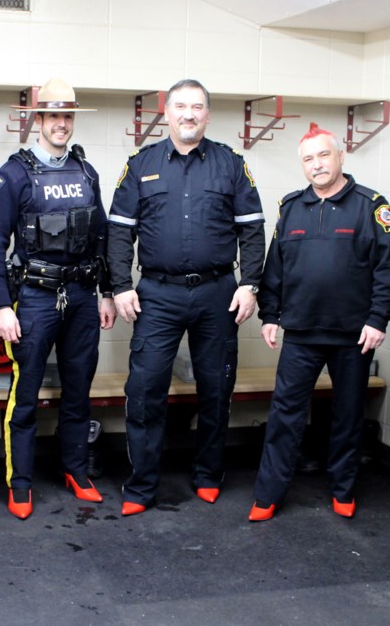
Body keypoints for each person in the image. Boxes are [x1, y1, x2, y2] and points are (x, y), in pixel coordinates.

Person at [106, 79, 265, 516]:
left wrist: (251, 284)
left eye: (197, 107)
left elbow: (252, 228)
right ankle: (141, 487)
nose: (189, 114)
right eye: (181, 106)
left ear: (208, 115)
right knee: (144, 390)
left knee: (216, 389)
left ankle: (209, 475)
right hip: (157, 294)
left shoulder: (231, 164)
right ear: (167, 112)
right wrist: (120, 285)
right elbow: (119, 231)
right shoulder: (141, 164)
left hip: (219, 293)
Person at [248, 123, 390, 522]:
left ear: (341, 156)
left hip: (354, 334)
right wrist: (270, 315)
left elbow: (388, 270)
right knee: (284, 415)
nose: (317, 165)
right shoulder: (292, 207)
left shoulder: (371, 206)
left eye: (323, 155)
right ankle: (268, 494)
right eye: (308, 159)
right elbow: (275, 268)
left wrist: (377, 318)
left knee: (348, 416)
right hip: (300, 332)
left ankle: (343, 489)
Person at [0, 78, 116, 520]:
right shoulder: (13, 175)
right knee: (26, 395)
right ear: (37, 119)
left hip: (81, 296)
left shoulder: (86, 171)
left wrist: (107, 292)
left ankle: (76, 470)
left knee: (79, 392)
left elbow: (101, 237)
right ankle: (20, 482)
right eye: (53, 116)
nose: (61, 124)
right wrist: (2, 305)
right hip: (35, 299)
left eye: (67, 116)